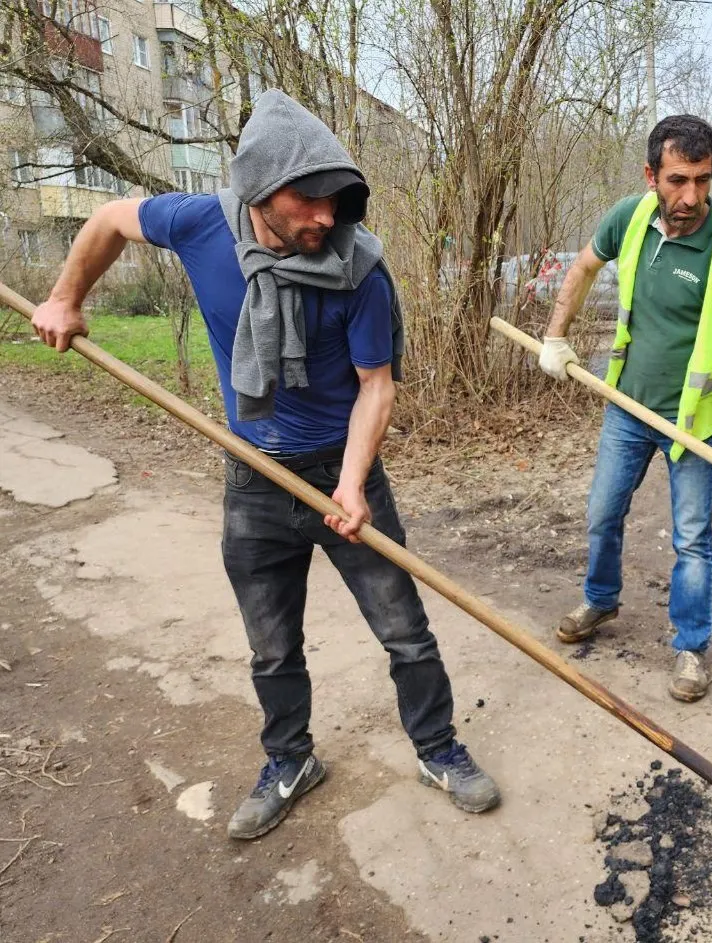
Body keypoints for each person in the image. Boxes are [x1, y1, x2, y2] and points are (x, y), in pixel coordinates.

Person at [30, 90, 500, 838]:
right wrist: (65, 296)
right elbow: (110, 218)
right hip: (252, 476)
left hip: (339, 472)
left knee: (403, 629)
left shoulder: (360, 271)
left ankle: (439, 746)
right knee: (272, 644)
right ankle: (290, 760)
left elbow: (377, 388)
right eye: (308, 200)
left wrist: (350, 484)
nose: (326, 216)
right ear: (258, 189)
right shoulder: (198, 225)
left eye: (337, 200)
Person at [536, 115, 712, 703]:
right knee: (602, 513)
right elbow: (584, 267)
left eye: (703, 181)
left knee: (692, 539)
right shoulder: (630, 218)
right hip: (626, 408)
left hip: (693, 426)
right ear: (651, 176)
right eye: (679, 180)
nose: (691, 196)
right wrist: (555, 336)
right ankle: (601, 599)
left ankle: (690, 646)